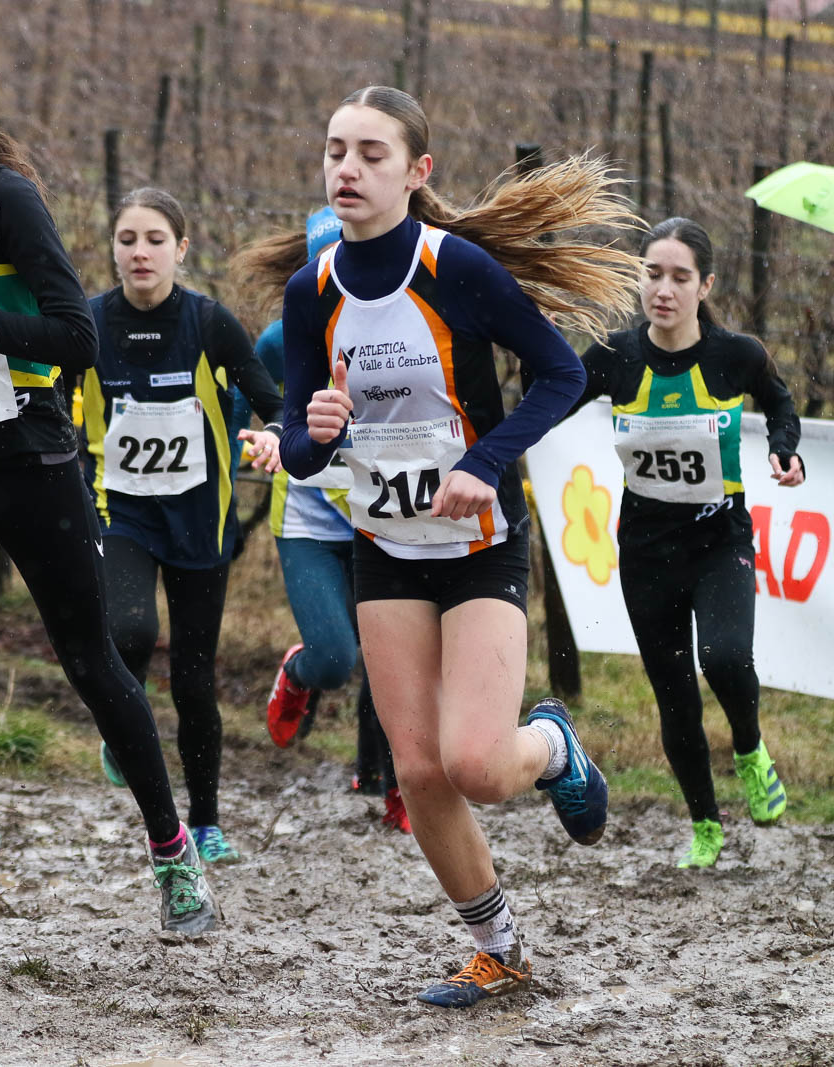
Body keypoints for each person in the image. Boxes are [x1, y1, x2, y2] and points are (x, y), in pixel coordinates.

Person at [235, 85, 640, 1007]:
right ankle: (498, 948)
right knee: (418, 769)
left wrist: (486, 463)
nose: (346, 168)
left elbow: (560, 373)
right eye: (335, 150)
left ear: (418, 172)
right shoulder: (310, 291)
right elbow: (300, 443)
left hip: (478, 541)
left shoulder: (455, 268)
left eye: (371, 153)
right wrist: (316, 431)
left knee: (479, 767)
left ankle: (553, 744)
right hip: (385, 543)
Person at [0, 39, 219, 933]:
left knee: (92, 661)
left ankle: (172, 849)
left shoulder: (7, 202)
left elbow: (75, 339)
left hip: (30, 459)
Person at [562, 217, 801, 869]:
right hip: (646, 550)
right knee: (674, 695)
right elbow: (552, 397)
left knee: (724, 656)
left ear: (706, 285)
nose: (663, 289)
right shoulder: (614, 357)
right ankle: (705, 827)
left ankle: (749, 748)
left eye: (679, 277)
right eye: (652, 274)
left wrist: (784, 449)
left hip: (720, 540)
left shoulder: (736, 355)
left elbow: (780, 404)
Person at [80, 186, 285, 865]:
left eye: (155, 240)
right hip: (122, 511)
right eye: (127, 239)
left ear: (181, 249)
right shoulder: (89, 324)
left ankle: (206, 821)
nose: (140, 252)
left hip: (200, 517)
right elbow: (51, 407)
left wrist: (274, 433)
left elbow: (268, 399)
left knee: (195, 681)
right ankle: (121, 725)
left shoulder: (208, 322)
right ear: (113, 249)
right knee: (130, 631)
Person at [257, 206, 406, 834]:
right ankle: (300, 672)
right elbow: (252, 397)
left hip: (386, 517)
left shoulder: (406, 328)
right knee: (337, 660)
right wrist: (266, 433)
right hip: (310, 524)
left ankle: (403, 791)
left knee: (396, 666)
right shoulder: (278, 340)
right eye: (321, 265)